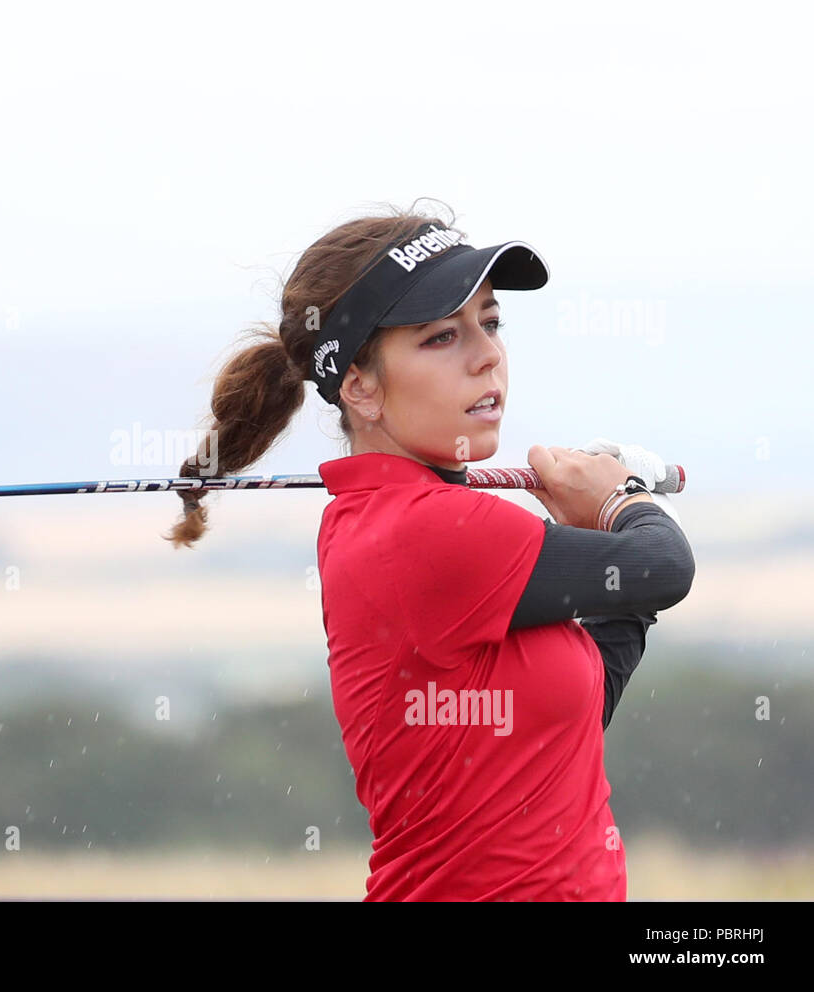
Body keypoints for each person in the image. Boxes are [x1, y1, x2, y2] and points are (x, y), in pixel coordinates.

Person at [164, 203, 695, 901]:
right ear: (360, 386)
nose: (487, 355)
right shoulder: (424, 530)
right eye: (442, 337)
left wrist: (608, 549)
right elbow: (664, 568)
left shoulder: (403, 520)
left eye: (491, 322)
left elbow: (565, 728)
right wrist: (619, 499)